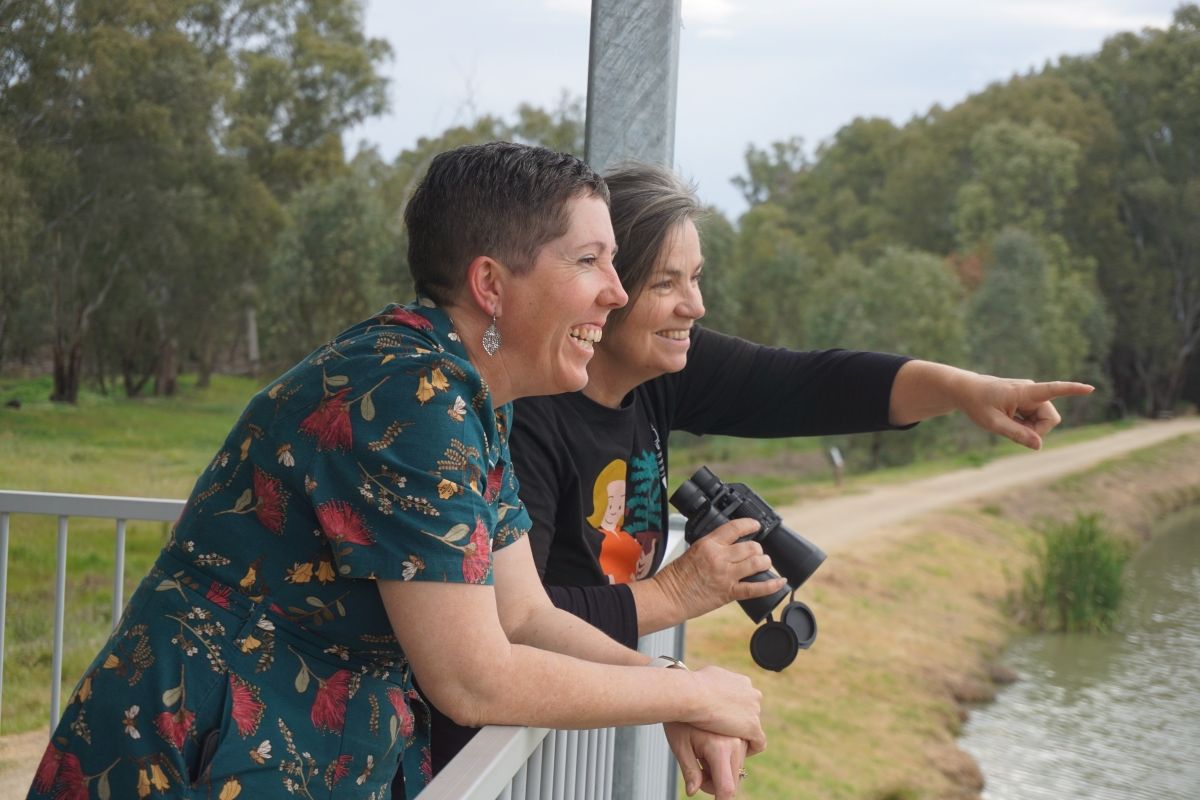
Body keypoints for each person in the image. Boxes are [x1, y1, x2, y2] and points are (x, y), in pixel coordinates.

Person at [28, 144, 763, 800]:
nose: (617, 290)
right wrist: (692, 698)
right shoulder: (410, 397)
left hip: (294, 749)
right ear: (491, 284)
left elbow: (524, 615)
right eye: (588, 260)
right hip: (199, 749)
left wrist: (672, 689)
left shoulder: (468, 395)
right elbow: (473, 677)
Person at [428, 161, 1094, 776]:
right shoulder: (515, 415)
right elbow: (515, 620)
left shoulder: (656, 372)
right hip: (468, 766)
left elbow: (807, 384)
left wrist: (964, 391)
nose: (695, 305)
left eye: (697, 277)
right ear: (606, 291)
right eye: (666, 283)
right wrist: (676, 601)